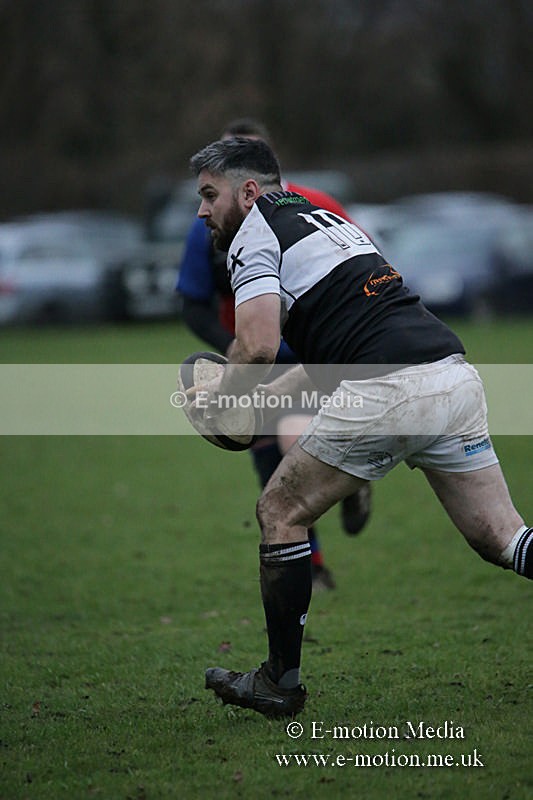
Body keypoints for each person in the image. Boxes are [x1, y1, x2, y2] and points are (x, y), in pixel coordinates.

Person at [186, 137, 532, 719]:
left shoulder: (254, 233)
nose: (201, 212)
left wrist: (226, 394)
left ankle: (279, 681)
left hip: (388, 387)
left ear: (247, 192)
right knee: (503, 538)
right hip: (451, 376)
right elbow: (336, 353)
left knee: (280, 512)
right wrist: (265, 399)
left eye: (208, 195)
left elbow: (257, 344)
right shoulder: (325, 221)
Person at [177, 119, 372, 591]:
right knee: (269, 457)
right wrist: (230, 357)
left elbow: (367, 271)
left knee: (291, 441)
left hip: (312, 355)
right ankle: (316, 560)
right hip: (252, 356)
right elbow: (191, 301)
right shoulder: (208, 222)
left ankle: (352, 474)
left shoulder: (318, 205)